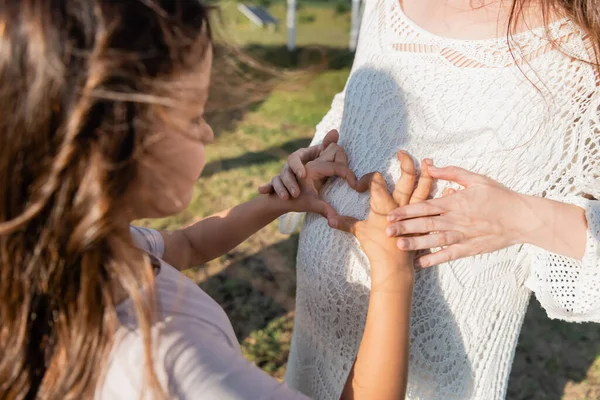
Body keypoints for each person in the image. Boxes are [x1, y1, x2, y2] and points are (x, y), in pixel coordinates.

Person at [0, 1, 435, 399]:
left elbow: (189, 245)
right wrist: (392, 272)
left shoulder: (78, 255)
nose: (208, 132)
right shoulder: (173, 362)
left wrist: (280, 202)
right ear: (109, 144)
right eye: (194, 116)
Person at [264, 0, 600, 399]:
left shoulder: (585, 40)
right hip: (319, 334)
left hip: (442, 362)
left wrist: (518, 216)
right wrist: (319, 153)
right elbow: (356, 101)